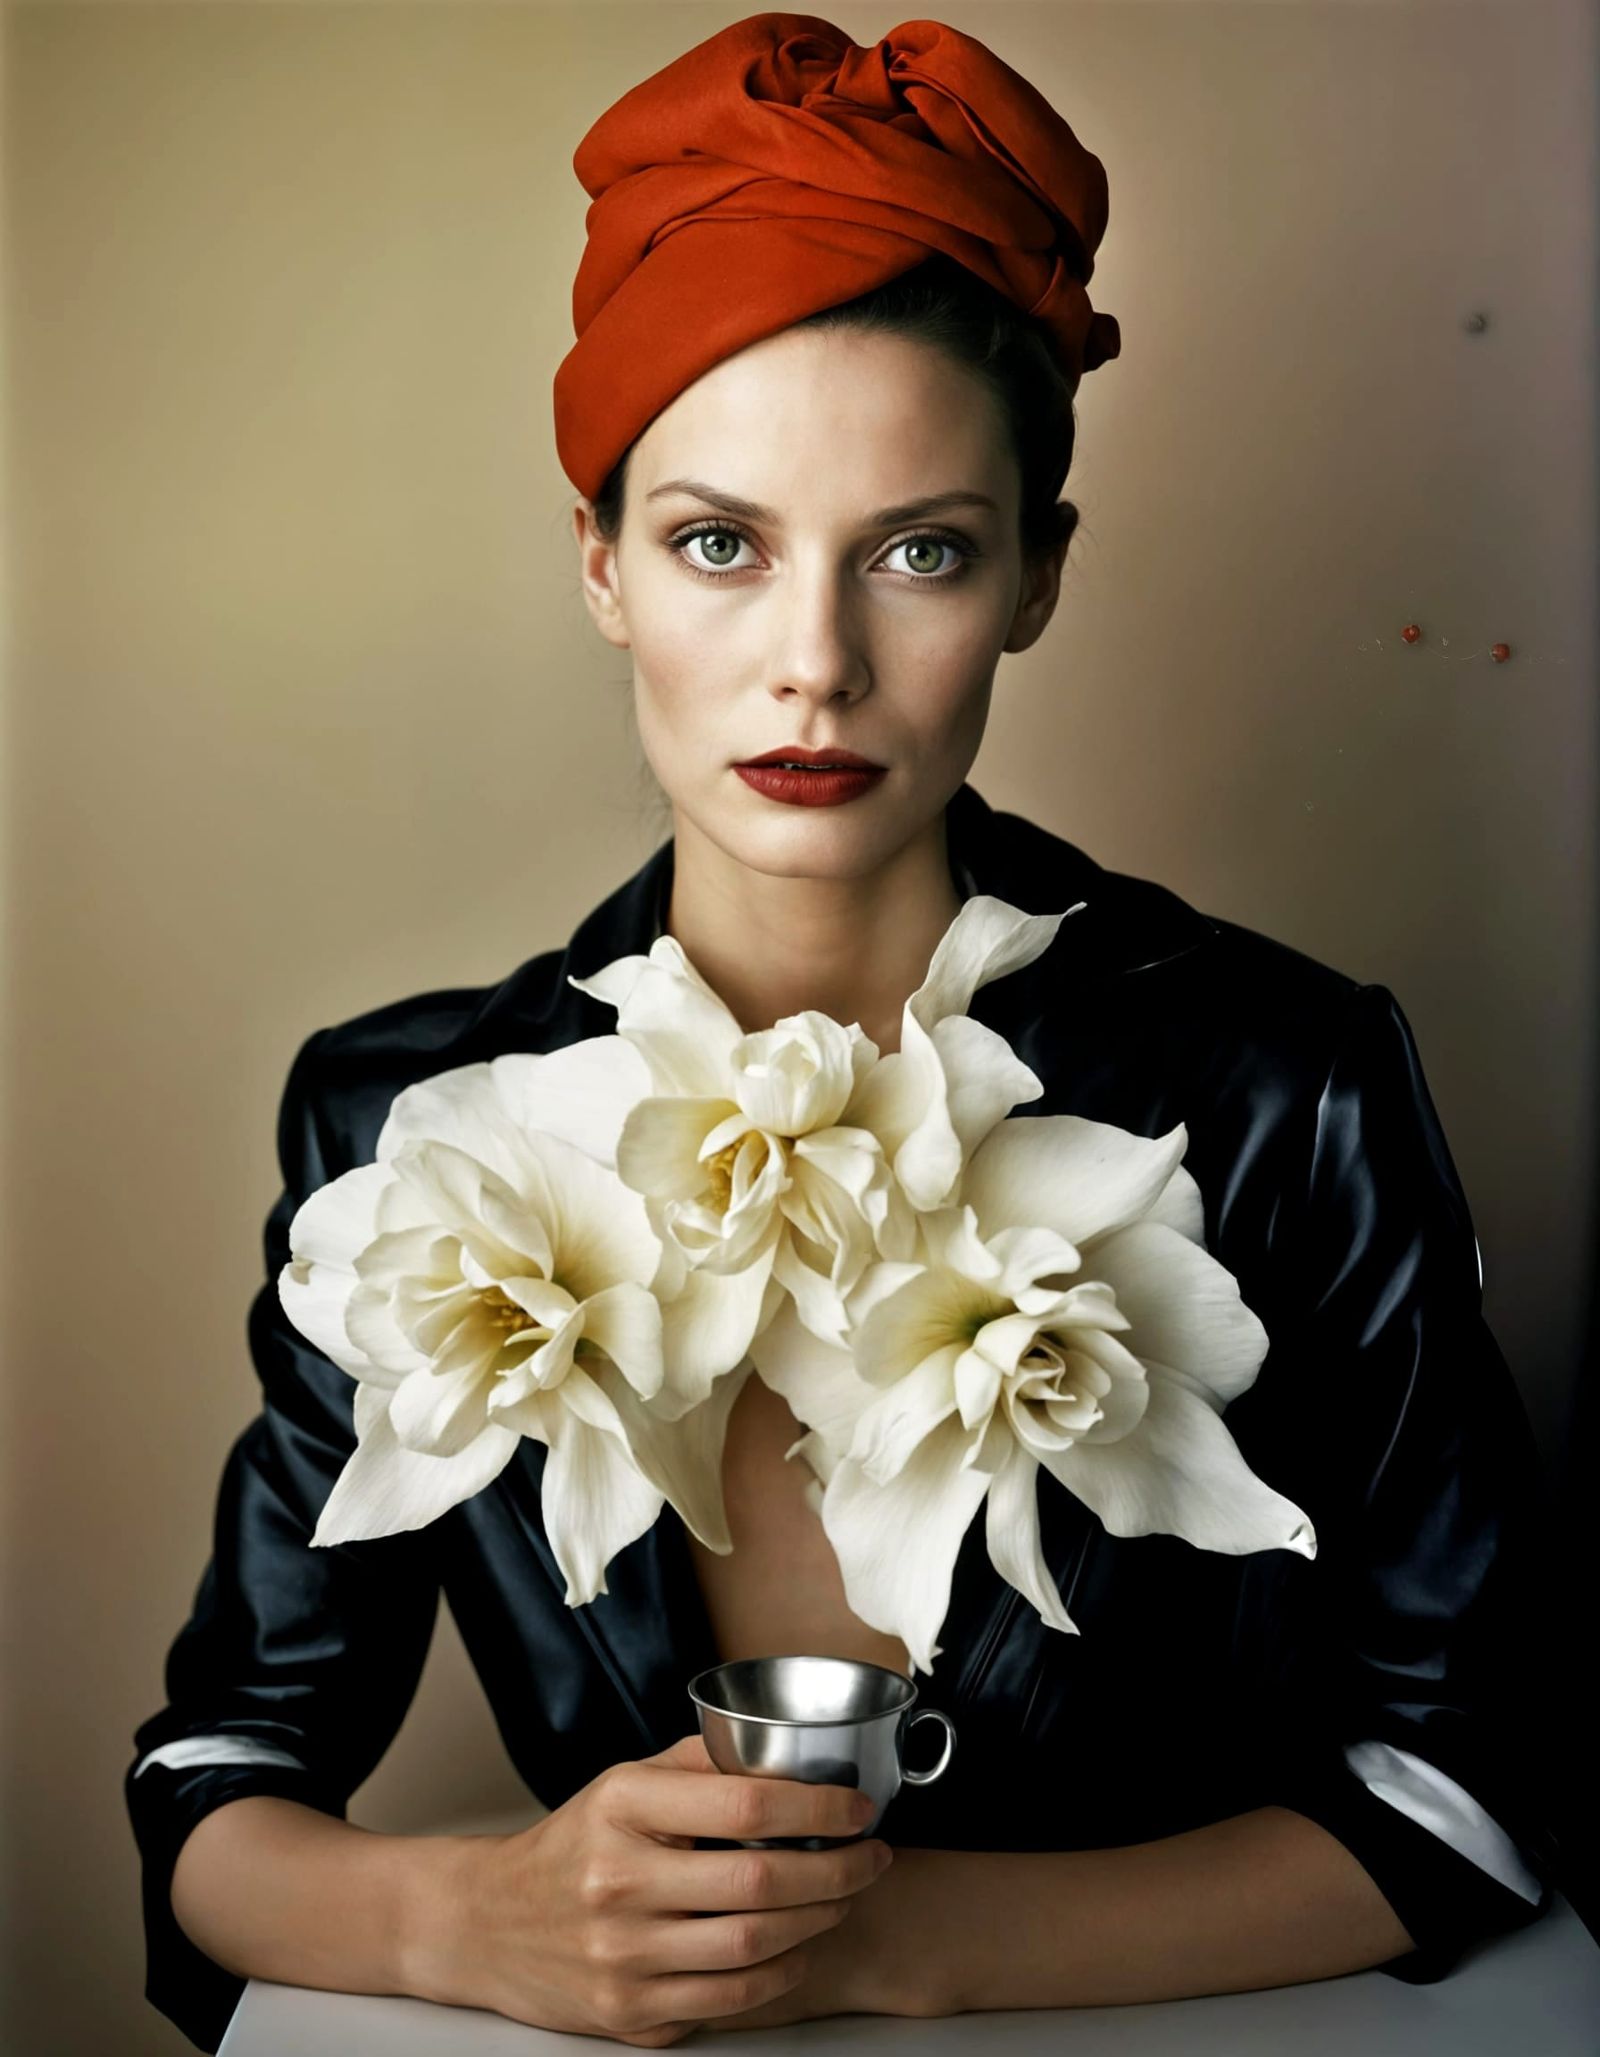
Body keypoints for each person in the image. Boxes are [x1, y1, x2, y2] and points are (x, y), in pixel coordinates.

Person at [124, 13, 1564, 2052]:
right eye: (718, 543)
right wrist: (478, 1924)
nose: (812, 662)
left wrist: (893, 1948)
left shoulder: (1276, 1085)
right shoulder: (402, 1118)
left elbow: (1466, 1777)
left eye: (917, 552)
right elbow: (214, 1780)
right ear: (601, 566)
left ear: (1033, 581)